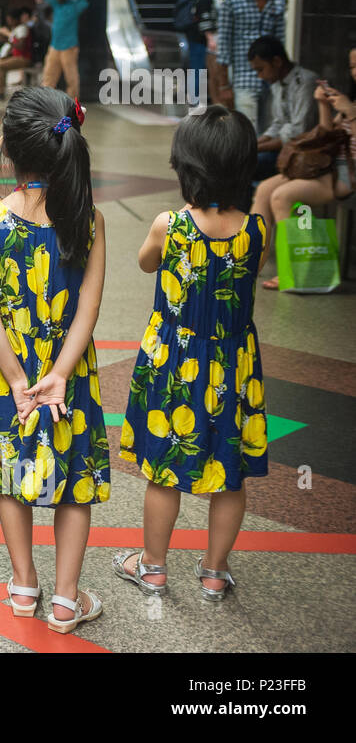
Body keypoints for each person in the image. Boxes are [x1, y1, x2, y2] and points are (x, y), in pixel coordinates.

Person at [0, 89, 109, 634]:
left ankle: (24, 586)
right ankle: (67, 601)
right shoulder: (89, 220)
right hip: (69, 377)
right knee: (75, 483)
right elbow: (89, 310)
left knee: (12, 476)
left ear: (7, 148)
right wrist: (59, 375)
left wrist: (19, 379)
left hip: (11, 377)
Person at [115, 105, 266, 601]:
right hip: (234, 364)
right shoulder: (258, 230)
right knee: (230, 473)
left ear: (186, 167)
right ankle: (215, 573)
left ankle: (153, 567)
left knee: (165, 470)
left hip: (175, 362)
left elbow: (145, 263)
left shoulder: (169, 225)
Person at [253, 46, 356, 290]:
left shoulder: (350, 107)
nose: (354, 71)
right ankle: (250, 259)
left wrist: (350, 113)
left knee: (282, 195)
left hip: (346, 176)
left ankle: (295, 271)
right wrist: (323, 104)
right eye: (351, 66)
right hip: (330, 169)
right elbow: (327, 135)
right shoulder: (351, 100)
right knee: (266, 189)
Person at [212, 0, 286, 132]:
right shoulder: (233, 2)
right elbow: (224, 47)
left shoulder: (278, 3)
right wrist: (224, 85)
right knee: (247, 131)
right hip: (243, 80)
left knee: (271, 130)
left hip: (272, 82)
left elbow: (281, 43)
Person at [248, 36, 318, 183]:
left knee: (247, 165)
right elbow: (279, 123)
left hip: (304, 151)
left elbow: (300, 132)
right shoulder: (277, 84)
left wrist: (256, 149)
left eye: (261, 69)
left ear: (277, 62)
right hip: (285, 147)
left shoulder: (305, 82)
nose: (259, 76)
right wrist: (253, 144)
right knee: (239, 161)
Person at [184, 0, 226, 105]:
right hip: (199, 40)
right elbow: (204, 19)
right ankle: (194, 99)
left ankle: (195, 98)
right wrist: (210, 38)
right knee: (198, 69)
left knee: (199, 69)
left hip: (199, 39)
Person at [41, 0, 88, 101]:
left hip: (69, 47)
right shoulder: (56, 4)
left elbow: (84, 3)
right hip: (54, 46)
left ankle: (73, 101)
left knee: (71, 76)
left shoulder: (74, 5)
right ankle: (46, 100)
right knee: (49, 74)